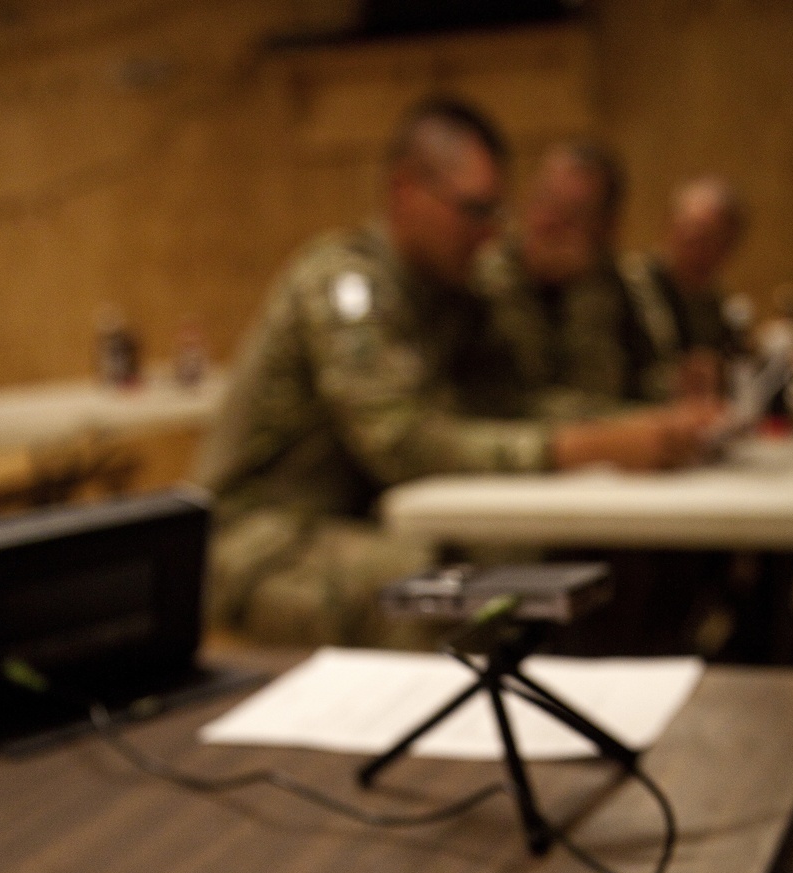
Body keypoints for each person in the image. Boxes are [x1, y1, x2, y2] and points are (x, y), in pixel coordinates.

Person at [197, 99, 719, 645]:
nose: (490, 234)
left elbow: (515, 398)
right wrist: (588, 446)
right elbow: (403, 443)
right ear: (405, 190)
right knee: (453, 597)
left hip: (365, 523)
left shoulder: (448, 293)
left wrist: (649, 425)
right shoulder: (345, 283)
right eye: (473, 210)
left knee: (562, 569)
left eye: (496, 213)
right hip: (261, 542)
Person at [476, 139, 655, 418]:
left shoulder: (620, 284)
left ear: (605, 229)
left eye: (572, 213)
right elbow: (509, 402)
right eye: (544, 200)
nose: (547, 222)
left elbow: (643, 382)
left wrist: (584, 290)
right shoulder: (484, 282)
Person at [620, 177, 749, 400]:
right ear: (669, 226)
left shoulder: (711, 299)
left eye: (711, 239)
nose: (696, 247)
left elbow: (735, 357)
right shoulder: (629, 285)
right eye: (689, 231)